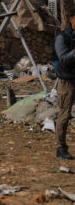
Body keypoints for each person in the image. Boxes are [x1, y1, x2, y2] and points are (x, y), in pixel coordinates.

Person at [56, 9, 75, 160]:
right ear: (71, 19)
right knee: (64, 115)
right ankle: (61, 148)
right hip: (67, 81)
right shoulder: (62, 37)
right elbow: (63, 58)